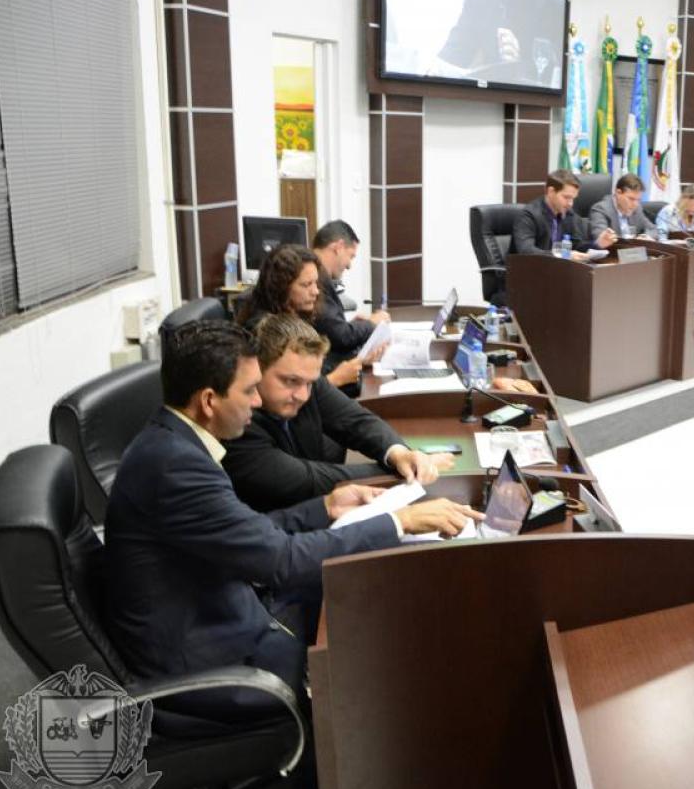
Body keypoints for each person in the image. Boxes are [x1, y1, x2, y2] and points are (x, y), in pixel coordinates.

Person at [103, 321, 482, 704]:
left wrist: (326, 507)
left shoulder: (175, 444)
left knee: (384, 603)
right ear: (208, 401)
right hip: (213, 663)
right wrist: (400, 521)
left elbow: (251, 530)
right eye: (249, 390)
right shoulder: (176, 467)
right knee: (386, 658)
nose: (257, 402)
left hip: (225, 608)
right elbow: (282, 560)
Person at [223, 315, 455, 512]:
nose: (303, 395)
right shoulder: (237, 422)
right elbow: (308, 479)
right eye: (290, 381)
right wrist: (406, 472)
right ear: (257, 370)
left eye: (309, 383)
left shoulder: (306, 385)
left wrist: (399, 454)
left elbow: (357, 421)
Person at [237, 244, 369, 392]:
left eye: (315, 283)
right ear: (282, 287)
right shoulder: (261, 330)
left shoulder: (297, 314)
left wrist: (360, 359)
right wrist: (335, 379)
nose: (316, 291)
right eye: (306, 285)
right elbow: (280, 394)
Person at [435, 0, 565, 86]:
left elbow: (546, 78)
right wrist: (437, 70)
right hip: (486, 88)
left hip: (519, 96)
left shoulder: (551, 7)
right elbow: (462, 39)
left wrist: (516, 65)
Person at [312, 220, 389, 378]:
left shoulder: (318, 273)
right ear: (338, 247)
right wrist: (371, 323)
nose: (349, 265)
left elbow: (328, 329)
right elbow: (341, 337)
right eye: (351, 256)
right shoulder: (316, 277)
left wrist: (351, 325)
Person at [512, 169, 615, 258]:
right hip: (528, 271)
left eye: (573, 198)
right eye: (566, 197)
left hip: (558, 270)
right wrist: (563, 255)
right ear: (551, 191)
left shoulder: (569, 214)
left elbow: (576, 245)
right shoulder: (529, 216)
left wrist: (597, 244)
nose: (570, 203)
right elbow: (526, 252)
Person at [589, 173, 658, 241]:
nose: (635, 204)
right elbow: (600, 237)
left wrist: (645, 237)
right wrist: (606, 238)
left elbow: (654, 229)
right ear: (618, 193)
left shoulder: (637, 209)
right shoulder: (601, 209)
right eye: (631, 199)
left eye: (638, 200)